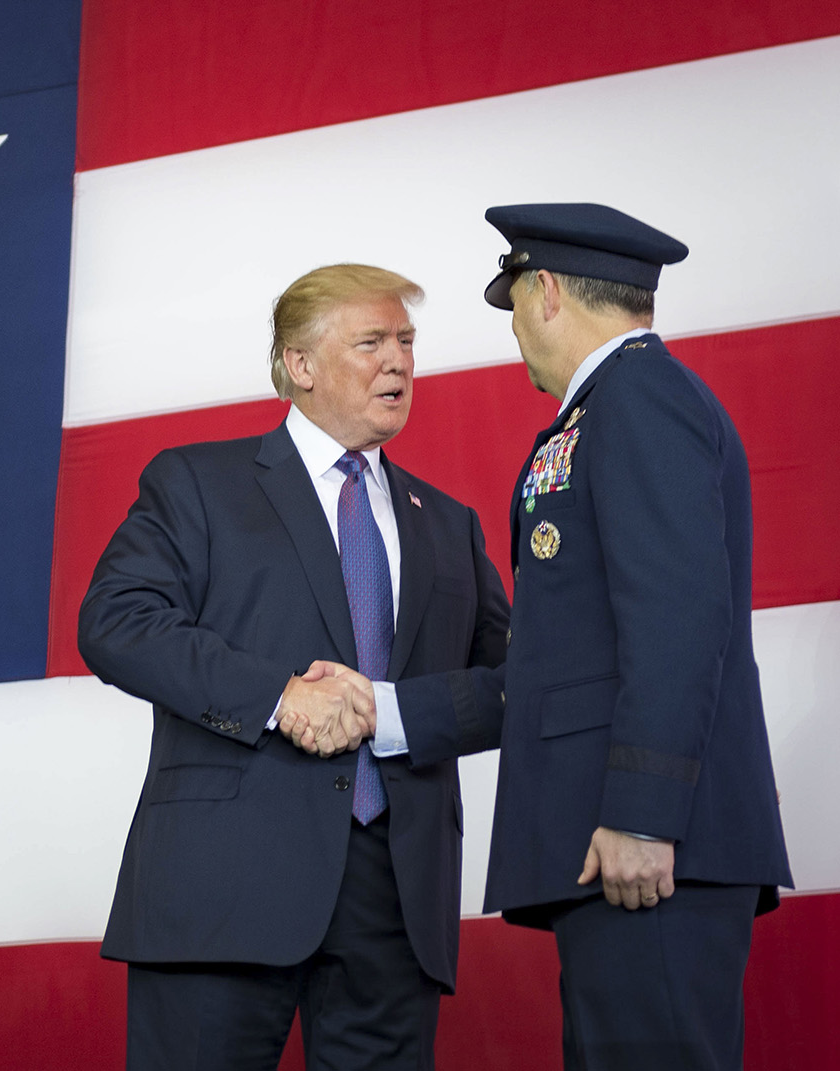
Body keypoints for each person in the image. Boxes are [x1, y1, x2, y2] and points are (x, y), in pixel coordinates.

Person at [335, 204, 791, 1070]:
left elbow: (678, 620)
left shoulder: (642, 400)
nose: (514, 334)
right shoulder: (616, 407)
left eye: (512, 307)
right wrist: (389, 713)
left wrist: (643, 814)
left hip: (652, 848)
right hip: (624, 847)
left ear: (545, 291)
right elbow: (561, 658)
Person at [78, 264, 510, 1070]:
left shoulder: (450, 524)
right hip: (222, 891)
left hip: (396, 904)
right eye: (372, 342)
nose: (399, 363)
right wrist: (277, 697)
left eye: (408, 342)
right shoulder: (196, 483)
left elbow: (519, 688)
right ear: (299, 364)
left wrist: (390, 711)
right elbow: (116, 623)